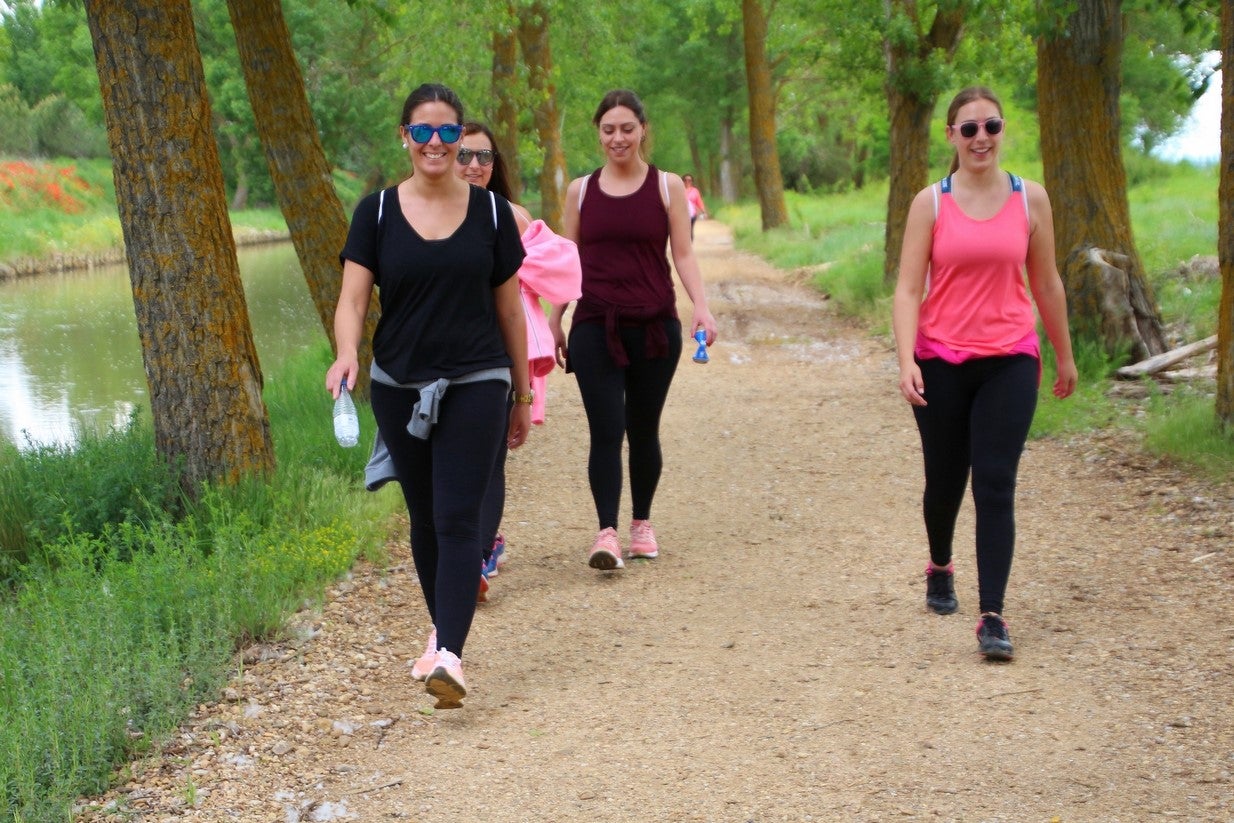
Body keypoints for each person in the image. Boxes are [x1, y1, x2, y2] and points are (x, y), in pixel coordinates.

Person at [326, 83, 531, 709]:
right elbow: (354, 298)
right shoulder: (377, 212)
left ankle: (450, 656)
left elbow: (511, 311)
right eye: (424, 132)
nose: (437, 144)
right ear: (405, 138)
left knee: (458, 516)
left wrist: (521, 392)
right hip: (398, 384)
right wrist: (345, 355)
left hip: (477, 378)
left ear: (461, 136)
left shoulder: (492, 216)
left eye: (448, 133)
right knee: (424, 519)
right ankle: (443, 628)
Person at [892, 86, 1077, 662]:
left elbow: (1046, 282)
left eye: (990, 127)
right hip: (941, 359)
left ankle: (992, 614)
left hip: (1011, 357)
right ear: (950, 136)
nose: (980, 138)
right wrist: (905, 361)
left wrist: (1064, 355)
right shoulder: (932, 202)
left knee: (995, 481)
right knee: (945, 481)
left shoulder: (1031, 199)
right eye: (968, 129)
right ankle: (940, 563)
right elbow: (906, 288)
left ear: (1002, 132)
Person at [552, 89, 717, 572]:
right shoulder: (580, 190)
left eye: (626, 128)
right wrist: (553, 319)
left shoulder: (666, 187)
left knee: (643, 429)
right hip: (594, 326)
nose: (617, 138)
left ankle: (641, 523)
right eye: (608, 130)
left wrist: (701, 308)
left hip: (654, 327)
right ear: (598, 134)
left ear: (643, 129)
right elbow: (569, 259)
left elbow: (682, 254)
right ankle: (606, 533)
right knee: (606, 429)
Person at [456, 121, 582, 598]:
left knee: (490, 460)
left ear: (496, 165)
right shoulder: (426, 214)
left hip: (500, 353)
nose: (474, 166)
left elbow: (562, 267)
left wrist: (545, 313)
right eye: (465, 155)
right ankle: (469, 545)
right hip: (446, 353)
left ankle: (479, 556)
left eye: (484, 157)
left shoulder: (510, 216)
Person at [682, 174, 707, 240]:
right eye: (685, 180)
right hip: (682, 214)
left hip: (692, 214)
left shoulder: (695, 191)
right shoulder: (679, 190)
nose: (687, 182)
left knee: (690, 229)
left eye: (689, 180)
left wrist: (703, 211)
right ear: (683, 181)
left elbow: (699, 202)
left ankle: (689, 245)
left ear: (692, 181)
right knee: (684, 230)